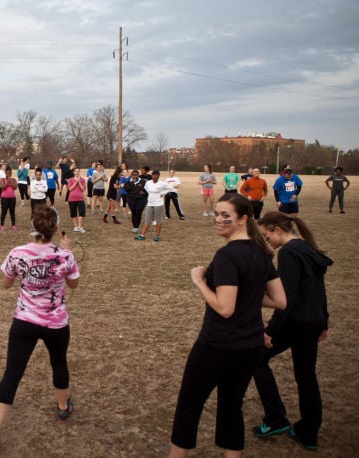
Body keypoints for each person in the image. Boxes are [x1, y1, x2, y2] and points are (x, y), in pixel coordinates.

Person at [169, 194, 286, 458]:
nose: (218, 220)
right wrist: (248, 295)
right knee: (232, 407)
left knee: (189, 405)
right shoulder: (261, 251)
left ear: (244, 218)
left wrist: (199, 281)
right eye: (216, 214)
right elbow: (279, 300)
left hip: (218, 346)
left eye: (225, 215)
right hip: (250, 347)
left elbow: (225, 307)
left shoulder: (227, 255)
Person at [0, 206, 80, 452]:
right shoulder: (64, 255)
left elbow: (6, 284)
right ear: (55, 229)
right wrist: (67, 252)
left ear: (33, 226)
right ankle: (62, 408)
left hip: (24, 321)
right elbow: (74, 284)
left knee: (12, 373)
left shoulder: (18, 253)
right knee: (59, 363)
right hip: (56, 323)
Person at [251, 212, 332, 451]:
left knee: (257, 358)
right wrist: (323, 320)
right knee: (306, 377)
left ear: (277, 229)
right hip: (312, 321)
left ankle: (275, 419)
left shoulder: (289, 253)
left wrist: (271, 330)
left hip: (295, 323)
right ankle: (308, 432)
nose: (267, 242)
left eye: (266, 236)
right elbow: (319, 290)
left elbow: (286, 298)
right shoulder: (307, 248)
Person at [136, 170, 174, 242]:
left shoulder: (162, 183)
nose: (154, 176)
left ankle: (157, 236)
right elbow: (146, 189)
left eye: (156, 175)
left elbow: (171, 188)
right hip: (150, 203)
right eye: (153, 175)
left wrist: (163, 193)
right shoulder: (148, 183)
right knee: (147, 219)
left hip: (158, 204)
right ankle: (142, 235)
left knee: (158, 220)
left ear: (158, 176)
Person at [62, 167, 87, 233]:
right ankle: (75, 227)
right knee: (73, 213)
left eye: (78, 171)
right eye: (76, 171)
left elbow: (83, 189)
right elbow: (70, 189)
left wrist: (79, 183)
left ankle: (80, 226)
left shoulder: (83, 180)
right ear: (74, 172)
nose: (77, 172)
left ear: (79, 172)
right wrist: (75, 183)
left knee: (82, 212)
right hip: (72, 199)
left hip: (80, 198)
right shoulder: (70, 180)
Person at [0, 164, 18, 232]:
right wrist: (7, 182)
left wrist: (11, 182)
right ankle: (2, 225)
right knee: (4, 212)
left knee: (12, 212)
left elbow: (15, 187)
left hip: (12, 198)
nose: (9, 174)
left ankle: (13, 225)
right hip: (4, 198)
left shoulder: (14, 179)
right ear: (5, 173)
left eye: (10, 173)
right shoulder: (2, 179)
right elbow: (3, 187)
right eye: (8, 173)